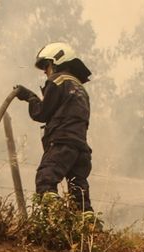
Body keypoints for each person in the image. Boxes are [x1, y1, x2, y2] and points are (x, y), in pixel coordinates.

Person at [13, 43, 94, 212]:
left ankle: (54, 221)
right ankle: (90, 230)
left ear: (56, 61)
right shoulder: (80, 87)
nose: (44, 71)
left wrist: (30, 97)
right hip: (81, 149)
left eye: (46, 65)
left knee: (45, 179)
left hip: (62, 144)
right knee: (79, 194)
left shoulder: (57, 80)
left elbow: (41, 113)